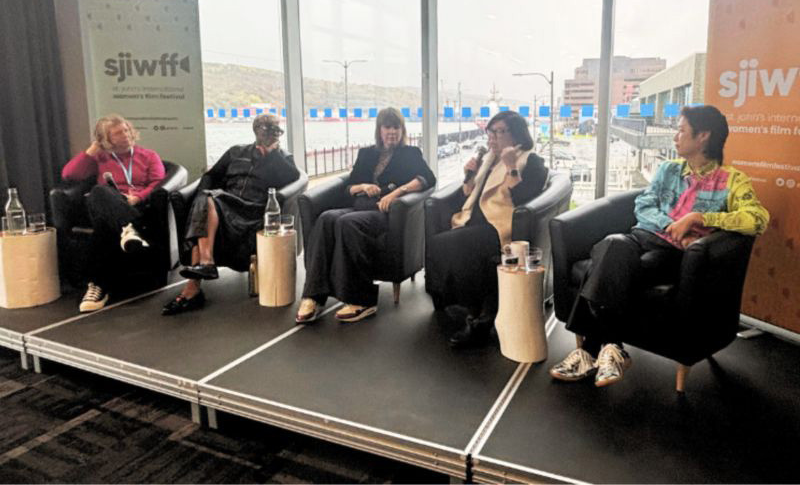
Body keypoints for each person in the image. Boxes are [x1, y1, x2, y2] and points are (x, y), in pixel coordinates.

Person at [549, 105, 770, 387]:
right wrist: (672, 225)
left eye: (681, 130)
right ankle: (612, 348)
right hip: (642, 237)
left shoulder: (731, 180)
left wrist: (700, 218)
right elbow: (643, 205)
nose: (675, 136)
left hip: (675, 255)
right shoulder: (668, 169)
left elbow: (758, 219)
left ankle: (588, 350)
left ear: (703, 136)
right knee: (612, 244)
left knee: (611, 261)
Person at [296, 107, 436, 324]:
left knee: (345, 222)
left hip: (384, 212)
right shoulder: (367, 154)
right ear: (379, 130)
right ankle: (313, 296)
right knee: (326, 218)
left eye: (396, 127)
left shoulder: (410, 154)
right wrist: (362, 186)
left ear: (402, 130)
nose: (392, 132)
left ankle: (363, 301)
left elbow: (427, 179)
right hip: (359, 205)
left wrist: (397, 193)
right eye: (387, 127)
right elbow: (348, 188)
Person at [426, 110, 548, 348]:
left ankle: (479, 318)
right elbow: (469, 193)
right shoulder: (489, 158)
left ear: (516, 135)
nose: (491, 137)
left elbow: (525, 198)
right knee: (440, 242)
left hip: (499, 227)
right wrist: (469, 176)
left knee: (446, 244)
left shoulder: (531, 161)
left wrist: (512, 166)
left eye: (498, 132)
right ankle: (462, 303)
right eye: (490, 132)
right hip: (473, 219)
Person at [162, 114, 300, 315]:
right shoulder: (236, 152)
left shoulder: (283, 159)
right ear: (256, 130)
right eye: (265, 128)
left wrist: (272, 155)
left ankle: (194, 285)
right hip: (225, 206)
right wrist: (199, 198)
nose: (269, 133)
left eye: (274, 128)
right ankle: (200, 272)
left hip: (253, 210)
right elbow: (211, 176)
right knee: (205, 201)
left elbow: (293, 178)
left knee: (206, 205)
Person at [61, 114, 165, 312]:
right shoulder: (100, 158)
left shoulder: (148, 155)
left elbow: (157, 183)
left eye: (126, 130)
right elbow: (69, 175)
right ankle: (129, 229)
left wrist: (137, 197)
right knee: (99, 192)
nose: (125, 135)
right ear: (106, 139)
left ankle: (97, 285)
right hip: (106, 202)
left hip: (135, 206)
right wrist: (92, 150)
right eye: (118, 133)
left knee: (103, 226)